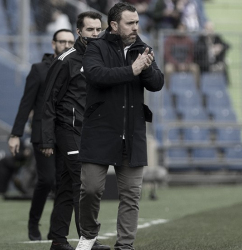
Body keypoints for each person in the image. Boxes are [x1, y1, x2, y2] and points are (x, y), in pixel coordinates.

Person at [77, 3, 164, 250]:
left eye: (137, 22)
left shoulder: (143, 48)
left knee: (131, 195)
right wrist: (132, 69)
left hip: (133, 133)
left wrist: (145, 69)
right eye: (130, 23)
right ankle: (89, 234)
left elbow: (157, 83)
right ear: (114, 25)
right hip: (100, 131)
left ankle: (124, 246)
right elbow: (95, 75)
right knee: (91, 188)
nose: (136, 27)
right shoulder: (96, 46)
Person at [40, 12, 109, 250]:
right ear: (79, 32)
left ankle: (58, 241)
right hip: (67, 130)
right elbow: (48, 100)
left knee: (67, 186)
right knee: (82, 181)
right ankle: (87, 239)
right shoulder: (65, 60)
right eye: (90, 30)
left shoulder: (98, 57)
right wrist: (47, 139)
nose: (95, 34)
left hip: (88, 131)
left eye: (98, 29)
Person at [8, 28, 74, 241]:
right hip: (41, 134)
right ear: (53, 44)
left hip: (66, 134)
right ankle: (33, 223)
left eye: (70, 41)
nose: (66, 45)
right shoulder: (38, 69)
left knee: (63, 184)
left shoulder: (77, 68)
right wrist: (16, 134)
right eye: (62, 42)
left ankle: (56, 231)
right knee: (46, 180)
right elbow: (26, 103)